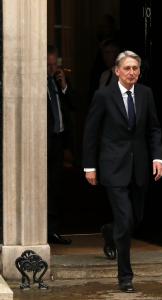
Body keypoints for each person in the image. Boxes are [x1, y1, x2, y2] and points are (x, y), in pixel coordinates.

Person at [82, 51, 162, 292]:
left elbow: (154, 128)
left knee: (133, 219)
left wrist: (157, 158)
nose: (132, 73)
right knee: (125, 219)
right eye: (127, 68)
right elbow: (91, 132)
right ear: (117, 71)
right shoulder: (103, 96)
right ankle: (125, 276)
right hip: (113, 167)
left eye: (135, 68)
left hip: (139, 166)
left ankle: (109, 230)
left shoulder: (146, 94)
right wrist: (90, 166)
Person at [47, 45, 75, 245]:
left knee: (56, 186)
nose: (51, 68)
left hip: (58, 141)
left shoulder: (58, 82)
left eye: (53, 64)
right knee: (44, 186)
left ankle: (53, 231)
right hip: (42, 141)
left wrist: (64, 85)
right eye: (48, 65)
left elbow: (74, 105)